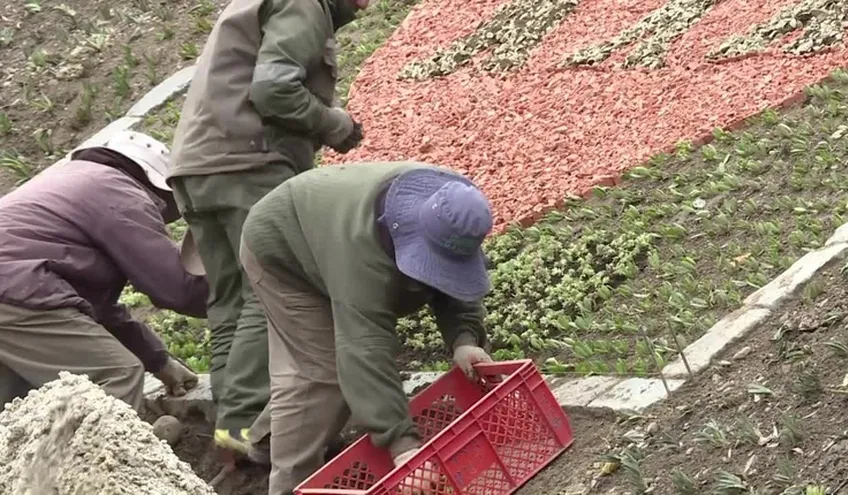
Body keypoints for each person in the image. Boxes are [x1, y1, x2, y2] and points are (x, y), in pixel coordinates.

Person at [166, 0, 368, 460]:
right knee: (272, 284)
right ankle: (246, 422)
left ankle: (230, 427)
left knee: (230, 295)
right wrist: (334, 123)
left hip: (198, 168)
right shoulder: (303, 3)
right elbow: (274, 88)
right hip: (248, 162)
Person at [239, 162, 495, 494]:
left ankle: (265, 443)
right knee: (322, 373)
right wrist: (404, 447)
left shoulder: (456, 207)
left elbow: (452, 274)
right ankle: (288, 484)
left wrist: (464, 338)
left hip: (324, 229)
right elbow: (364, 348)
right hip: (282, 248)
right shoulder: (364, 252)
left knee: (331, 371)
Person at [0, 131, 209, 413]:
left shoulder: (75, 185)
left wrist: (159, 360)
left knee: (17, 402)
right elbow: (176, 288)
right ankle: (108, 458)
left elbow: (95, 312)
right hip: (15, 287)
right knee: (117, 376)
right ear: (156, 186)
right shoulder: (120, 193)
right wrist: (236, 296)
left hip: (15, 291)